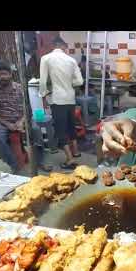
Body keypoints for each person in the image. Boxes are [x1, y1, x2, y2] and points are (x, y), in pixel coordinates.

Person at [0, 60, 52, 173]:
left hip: (22, 118)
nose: (1, 77)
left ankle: (40, 162)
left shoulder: (20, 88)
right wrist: (8, 124)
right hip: (3, 122)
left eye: (4, 74)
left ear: (10, 74)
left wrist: (21, 122)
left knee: (36, 130)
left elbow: (28, 109)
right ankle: (14, 164)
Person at [39, 36, 84, 170]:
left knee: (60, 129)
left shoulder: (46, 58)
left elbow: (42, 81)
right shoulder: (71, 60)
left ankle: (69, 159)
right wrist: (69, 84)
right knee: (71, 125)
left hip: (57, 99)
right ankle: (76, 151)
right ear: (63, 47)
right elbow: (80, 81)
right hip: (70, 98)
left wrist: (43, 96)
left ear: (53, 46)